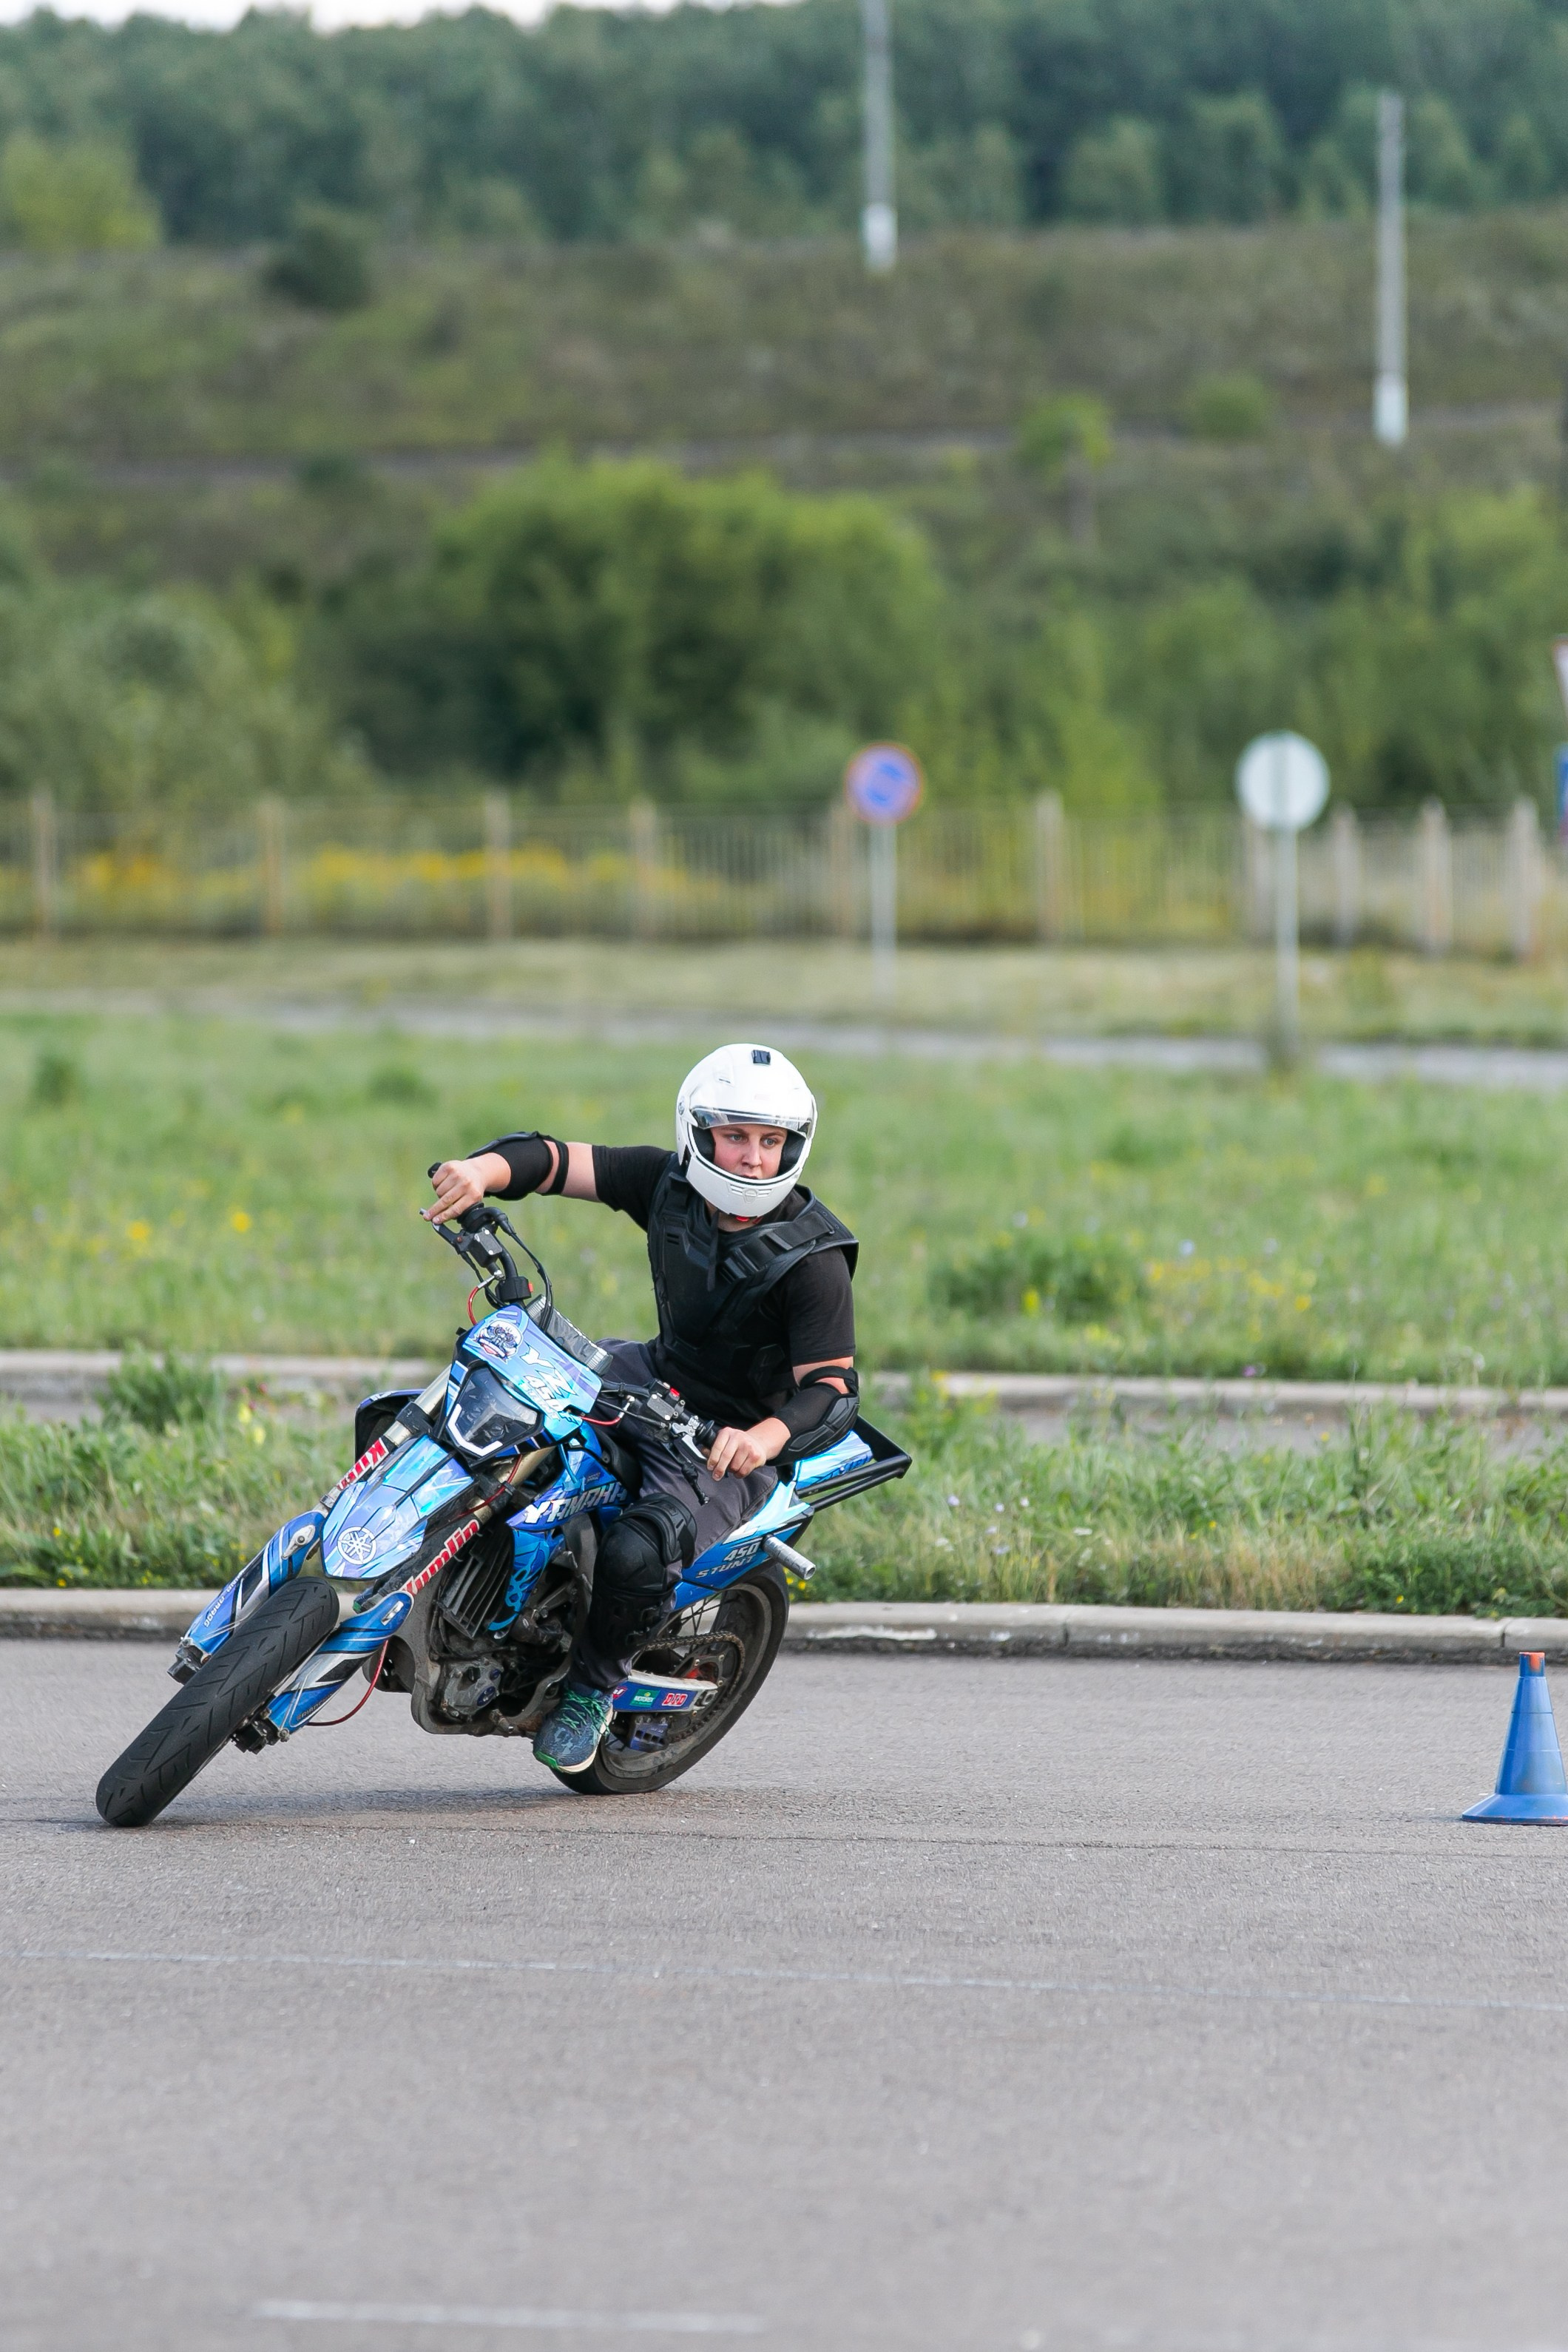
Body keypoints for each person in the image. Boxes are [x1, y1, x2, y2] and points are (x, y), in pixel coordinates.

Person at [425, 1042, 858, 1774]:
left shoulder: (812, 1261)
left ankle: (592, 1690)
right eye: (736, 1136)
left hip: (725, 1441)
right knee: (481, 1401)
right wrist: (480, 1171)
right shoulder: (667, 1183)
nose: (752, 1157)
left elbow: (833, 1390)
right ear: (699, 1133)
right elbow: (554, 1160)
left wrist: (762, 1438)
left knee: (640, 1546)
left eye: (770, 1140)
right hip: (649, 1374)